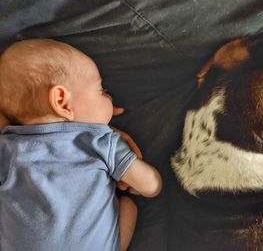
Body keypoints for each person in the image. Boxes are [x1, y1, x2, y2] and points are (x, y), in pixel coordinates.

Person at [0, 39, 162, 251]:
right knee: (129, 206)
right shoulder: (99, 141)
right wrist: (136, 178)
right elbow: (152, 186)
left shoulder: (7, 149)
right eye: (101, 90)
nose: (109, 97)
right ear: (62, 101)